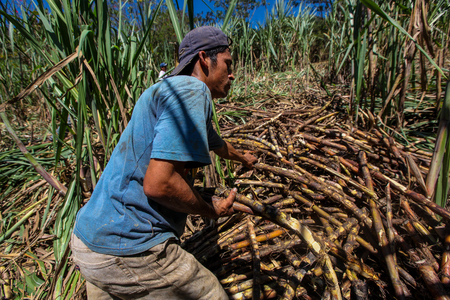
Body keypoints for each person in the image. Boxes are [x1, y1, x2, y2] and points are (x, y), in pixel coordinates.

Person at [70, 26, 257, 300]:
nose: (232, 74)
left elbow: (215, 143)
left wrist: (244, 158)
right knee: (211, 294)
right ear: (204, 59)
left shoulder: (164, 90)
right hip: (128, 247)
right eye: (228, 64)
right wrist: (210, 209)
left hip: (89, 241)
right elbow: (159, 184)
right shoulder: (192, 90)